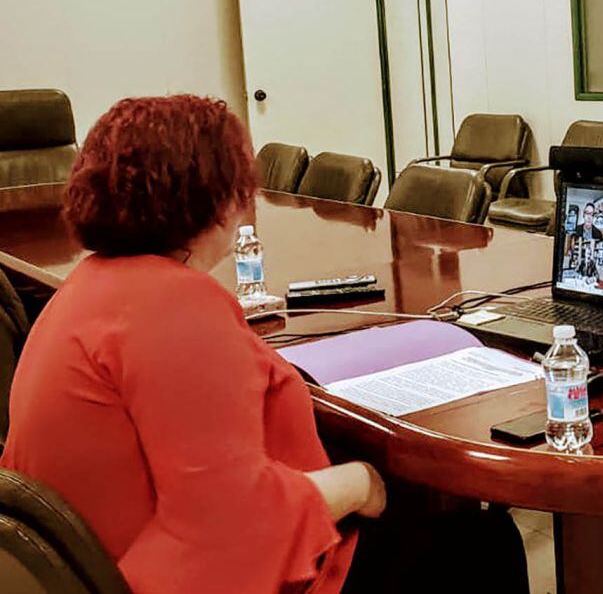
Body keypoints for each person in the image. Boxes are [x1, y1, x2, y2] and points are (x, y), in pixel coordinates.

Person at [0, 96, 383, 592]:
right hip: (167, 577)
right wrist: (361, 483)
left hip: (88, 569)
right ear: (217, 198)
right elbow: (233, 520)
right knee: (465, 538)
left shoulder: (89, 286)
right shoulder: (173, 304)